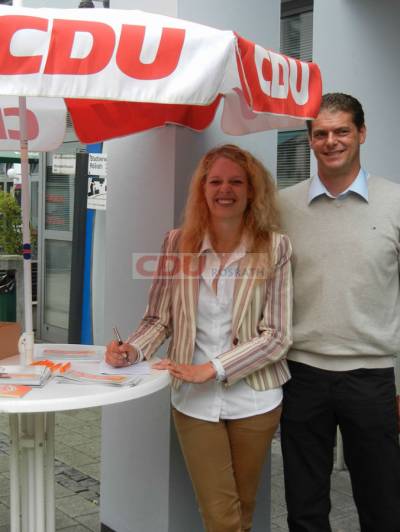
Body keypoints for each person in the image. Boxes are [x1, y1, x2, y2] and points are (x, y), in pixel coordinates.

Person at [105, 144, 293, 532]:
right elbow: (159, 317)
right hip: (194, 401)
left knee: (242, 507)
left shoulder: (276, 247)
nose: (225, 189)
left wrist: (212, 368)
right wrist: (132, 349)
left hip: (255, 397)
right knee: (221, 516)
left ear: (252, 190)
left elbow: (276, 335)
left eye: (236, 181)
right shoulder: (177, 243)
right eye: (216, 181)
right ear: (202, 189)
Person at [279, 93, 400, 532]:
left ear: (361, 134)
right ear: (310, 140)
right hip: (301, 373)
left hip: (371, 377)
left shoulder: (395, 203)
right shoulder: (282, 208)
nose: (331, 141)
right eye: (321, 134)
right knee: (304, 503)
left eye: (342, 131)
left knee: (382, 501)